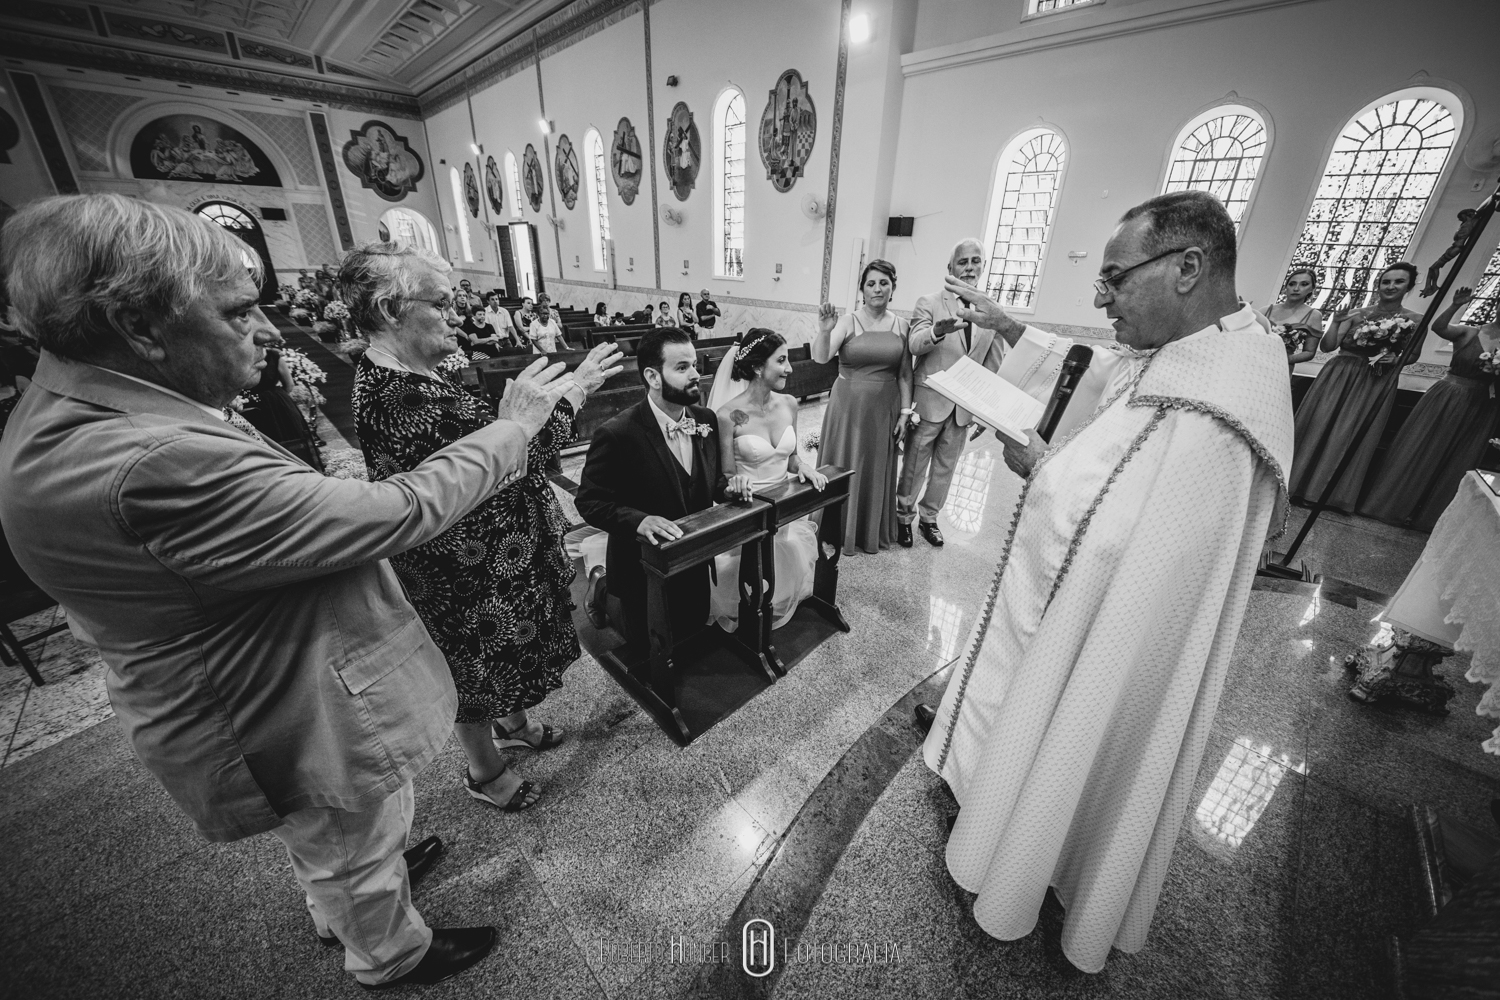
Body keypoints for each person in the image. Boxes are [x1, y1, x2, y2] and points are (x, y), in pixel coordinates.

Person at [0, 194, 572, 989]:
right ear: (139, 329)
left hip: (272, 671)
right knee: (344, 842)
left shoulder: (96, 409)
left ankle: (352, 899)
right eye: (239, 314)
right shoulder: (145, 460)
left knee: (344, 837)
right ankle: (388, 952)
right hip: (281, 702)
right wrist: (514, 427)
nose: (269, 332)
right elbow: (396, 510)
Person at [921, 191, 1292, 973]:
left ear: (1187, 267)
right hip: (1098, 617)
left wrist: (1043, 468)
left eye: (1116, 278)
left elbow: (1110, 535)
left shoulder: (1217, 411)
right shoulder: (1209, 345)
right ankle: (1018, 808)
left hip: (1114, 636)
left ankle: (1025, 848)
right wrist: (1010, 326)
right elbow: (1107, 376)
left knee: (1082, 718)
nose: (1102, 297)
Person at [348, 242, 623, 812]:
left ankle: (513, 723)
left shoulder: (413, 375)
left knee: (495, 657)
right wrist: (571, 393)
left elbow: (502, 441)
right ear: (391, 309)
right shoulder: (398, 395)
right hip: (460, 571)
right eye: (441, 303)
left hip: (487, 556)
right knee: (470, 663)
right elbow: (517, 450)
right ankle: (485, 771)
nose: (455, 314)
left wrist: (543, 405)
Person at [575, 328, 750, 653]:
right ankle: (600, 586)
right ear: (653, 376)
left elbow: (713, 485)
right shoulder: (617, 434)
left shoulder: (706, 420)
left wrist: (731, 489)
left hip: (692, 557)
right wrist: (638, 520)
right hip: (641, 564)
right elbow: (589, 501)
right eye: (682, 367)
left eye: (694, 365)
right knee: (645, 643)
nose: (696, 374)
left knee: (691, 629)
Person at [898, 239, 1015, 548]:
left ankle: (929, 518)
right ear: (950, 268)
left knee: (946, 467)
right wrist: (938, 331)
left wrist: (982, 410)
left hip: (963, 407)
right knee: (915, 462)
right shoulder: (930, 302)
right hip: (929, 400)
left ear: (983, 267)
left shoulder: (992, 313)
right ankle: (902, 516)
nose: (969, 267)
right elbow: (913, 345)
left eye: (976, 261)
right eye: (963, 262)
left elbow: (992, 365)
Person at [706, 329, 824, 630]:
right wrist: (736, 484)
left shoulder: (789, 404)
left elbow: (792, 455)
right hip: (746, 509)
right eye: (781, 360)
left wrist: (804, 467)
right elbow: (727, 475)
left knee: (780, 562)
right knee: (746, 570)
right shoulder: (727, 415)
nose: (789, 368)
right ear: (759, 367)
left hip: (783, 504)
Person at [1359, 285, 1500, 529]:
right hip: (1449, 396)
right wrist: (1456, 304)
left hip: (1484, 406)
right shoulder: (1469, 332)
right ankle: (1391, 505)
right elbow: (1439, 328)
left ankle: (1430, 518)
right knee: (1422, 446)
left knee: (1460, 458)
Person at [1289, 262, 1422, 510]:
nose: (1391, 286)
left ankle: (1322, 494)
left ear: (1409, 286)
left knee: (1346, 435)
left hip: (1374, 380)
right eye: (1386, 281)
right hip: (1339, 375)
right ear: (1378, 284)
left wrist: (1397, 359)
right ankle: (1293, 484)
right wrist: (1336, 322)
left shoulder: (1414, 320)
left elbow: (1413, 354)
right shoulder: (1357, 313)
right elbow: (1328, 347)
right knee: (1316, 426)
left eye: (1399, 282)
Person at [812, 260, 912, 555]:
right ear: (862, 290)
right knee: (843, 461)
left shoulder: (901, 325)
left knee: (874, 465)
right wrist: (825, 331)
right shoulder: (847, 321)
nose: (877, 288)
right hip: (848, 406)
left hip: (885, 409)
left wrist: (906, 413)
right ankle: (834, 525)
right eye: (871, 283)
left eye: (884, 282)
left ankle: (868, 528)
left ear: (893, 288)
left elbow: (906, 374)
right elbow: (820, 357)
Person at [239, 339, 321, 468]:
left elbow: (289, 385)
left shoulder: (273, 356)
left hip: (270, 404)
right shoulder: (273, 356)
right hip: (270, 403)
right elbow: (288, 386)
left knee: (287, 439)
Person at [1265, 267, 1324, 372]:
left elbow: (1309, 352)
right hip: (1254, 359)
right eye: (1292, 284)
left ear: (1312, 289)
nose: (1296, 288)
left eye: (1304, 284)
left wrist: (1285, 359)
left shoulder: (1314, 315)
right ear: (1285, 287)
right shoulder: (1266, 310)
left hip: (1282, 367)